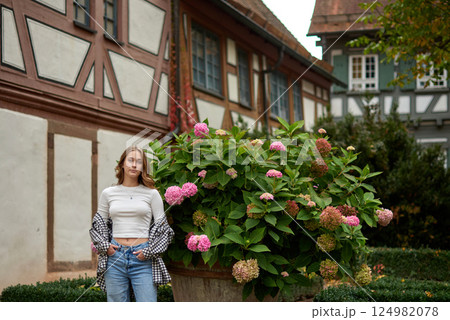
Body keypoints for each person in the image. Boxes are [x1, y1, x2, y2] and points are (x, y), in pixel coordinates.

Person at [90, 146, 174, 302]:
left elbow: (164, 229)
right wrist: (106, 247)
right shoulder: (108, 193)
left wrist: (149, 251)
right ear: (122, 164)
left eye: (139, 162)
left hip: (143, 258)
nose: (134, 165)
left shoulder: (152, 194)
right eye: (130, 160)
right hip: (115, 257)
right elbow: (98, 224)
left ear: (143, 167)